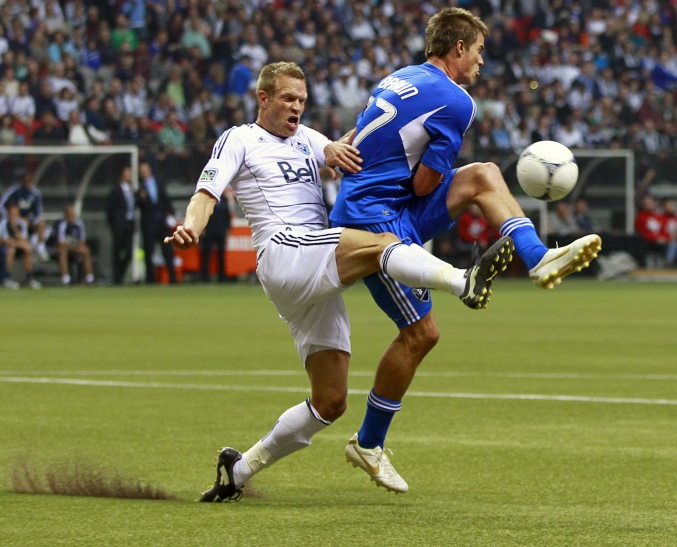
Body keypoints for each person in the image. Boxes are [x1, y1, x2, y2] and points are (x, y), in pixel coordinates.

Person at [163, 61, 512, 502]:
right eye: (288, 98)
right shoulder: (240, 139)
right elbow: (206, 193)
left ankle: (240, 468)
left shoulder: (309, 139)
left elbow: (344, 149)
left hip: (315, 268)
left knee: (330, 402)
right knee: (379, 242)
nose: (296, 107)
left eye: (302, 101)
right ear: (263, 98)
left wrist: (342, 150)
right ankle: (463, 281)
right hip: (285, 250)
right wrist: (191, 227)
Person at [328, 7, 601, 492]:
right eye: (477, 52)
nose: (480, 62)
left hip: (383, 201)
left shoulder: (397, 79)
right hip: (374, 221)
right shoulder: (456, 101)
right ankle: (368, 443)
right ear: (458, 48)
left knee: (483, 174)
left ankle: (539, 257)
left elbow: (360, 138)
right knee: (421, 334)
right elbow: (426, 180)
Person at [137, 160, 176, 284]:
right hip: (148, 223)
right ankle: (150, 279)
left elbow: (165, 199)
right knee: (148, 251)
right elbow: (138, 205)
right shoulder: (139, 186)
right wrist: (141, 198)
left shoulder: (158, 182)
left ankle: (173, 278)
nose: (144, 172)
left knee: (168, 250)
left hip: (162, 222)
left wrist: (171, 213)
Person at [0, 171, 50, 262]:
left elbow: (39, 211)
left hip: (28, 220)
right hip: (13, 220)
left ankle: (40, 248)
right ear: (22, 181)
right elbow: (1, 205)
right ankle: (25, 243)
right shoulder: (14, 191)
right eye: (25, 180)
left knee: (42, 223)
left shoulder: (36, 193)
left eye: (29, 181)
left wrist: (31, 219)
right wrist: (10, 216)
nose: (27, 183)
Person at [106, 165, 136, 285]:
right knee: (117, 252)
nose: (129, 176)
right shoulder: (115, 190)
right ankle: (117, 278)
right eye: (127, 173)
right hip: (118, 226)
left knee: (129, 252)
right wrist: (113, 225)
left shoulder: (133, 190)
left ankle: (121, 275)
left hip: (129, 225)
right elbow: (109, 210)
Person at [1, 203, 42, 289]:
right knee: (10, 250)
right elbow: (3, 240)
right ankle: (7, 278)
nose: (13, 216)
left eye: (15, 214)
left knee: (27, 249)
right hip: (4, 248)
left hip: (17, 246)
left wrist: (15, 229)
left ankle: (29, 278)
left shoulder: (21, 223)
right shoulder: (3, 223)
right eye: (11, 214)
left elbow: (24, 239)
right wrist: (14, 242)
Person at [53, 204, 95, 286]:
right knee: (62, 252)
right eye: (69, 215)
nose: (71, 217)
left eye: (73, 214)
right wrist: (74, 247)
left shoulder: (79, 224)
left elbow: (82, 241)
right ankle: (65, 279)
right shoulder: (61, 224)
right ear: (65, 215)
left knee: (86, 251)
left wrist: (76, 247)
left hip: (74, 248)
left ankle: (89, 278)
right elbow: (60, 244)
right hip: (61, 250)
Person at [200, 188, 232, 282]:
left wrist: (227, 228)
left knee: (221, 255)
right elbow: (201, 214)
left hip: (220, 230)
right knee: (206, 254)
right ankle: (205, 276)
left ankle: (222, 276)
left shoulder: (224, 198)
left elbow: (227, 214)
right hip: (208, 230)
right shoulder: (206, 198)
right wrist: (201, 228)